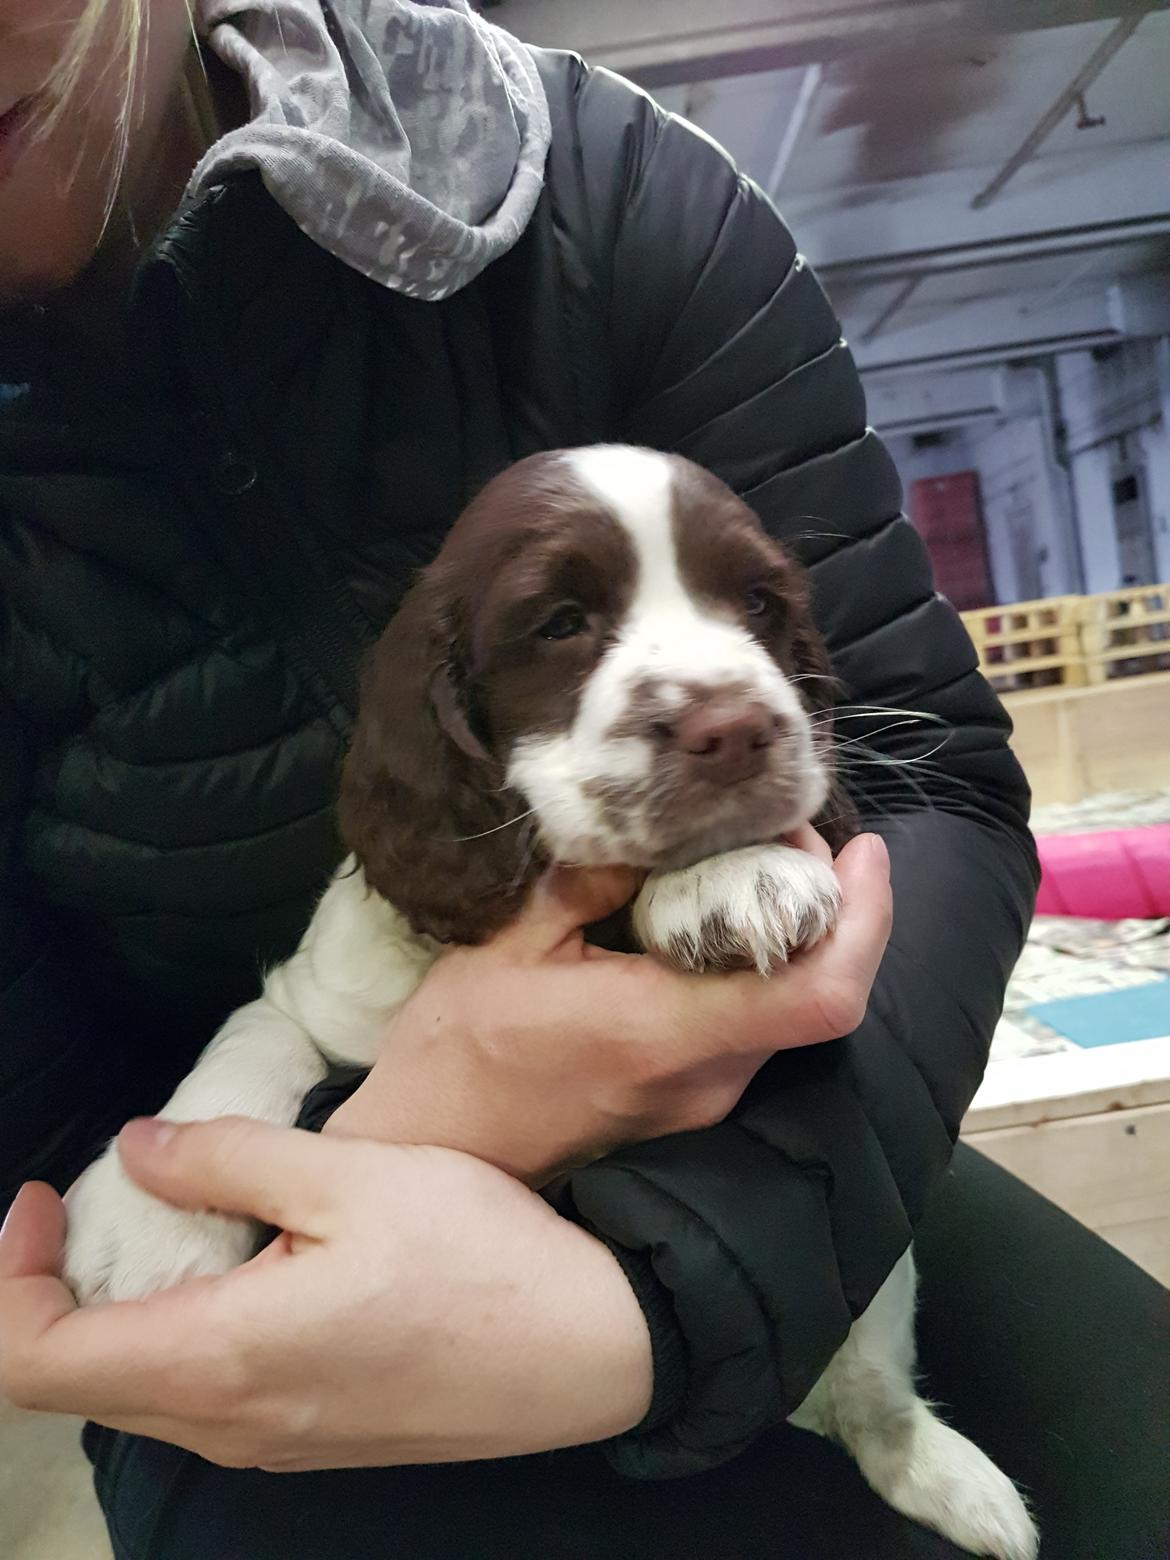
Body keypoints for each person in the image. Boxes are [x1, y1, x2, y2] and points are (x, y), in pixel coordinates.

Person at [0, 2, 1053, 1556]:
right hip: (272, 1271)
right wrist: (375, 1146)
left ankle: (882, 1419)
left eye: (749, 611)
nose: (712, 706)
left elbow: (937, 784)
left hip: (817, 1139)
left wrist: (651, 1295)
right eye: (566, 620)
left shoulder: (599, 193)